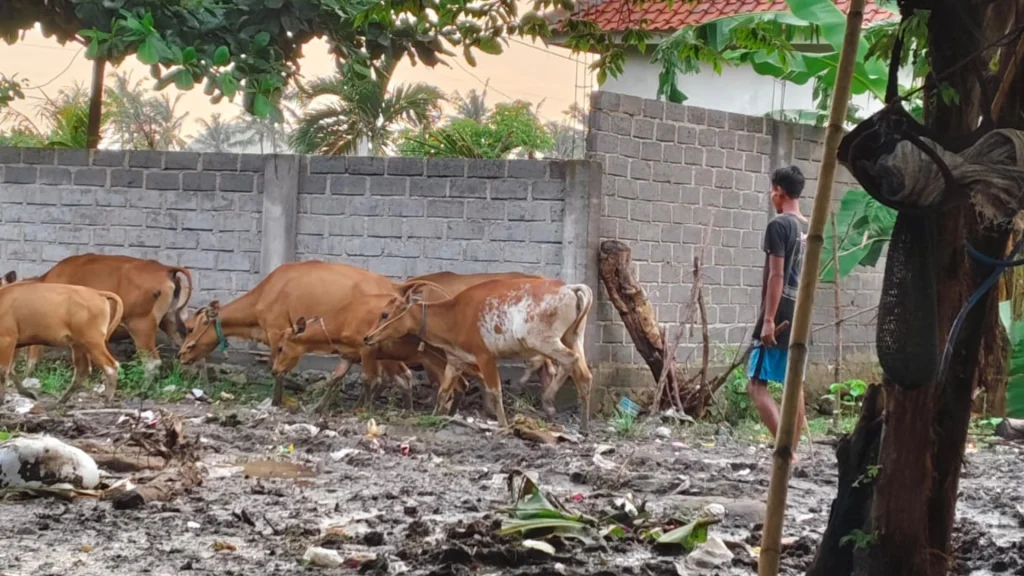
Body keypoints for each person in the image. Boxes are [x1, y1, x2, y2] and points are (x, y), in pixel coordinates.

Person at [747, 165, 808, 459]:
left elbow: (776, 276)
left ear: (779, 191)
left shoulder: (779, 226)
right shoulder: (810, 227)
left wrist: (768, 320)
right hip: (801, 310)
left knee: (756, 385)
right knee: (793, 381)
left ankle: (787, 451)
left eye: (772, 189)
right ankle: (793, 449)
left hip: (780, 310)